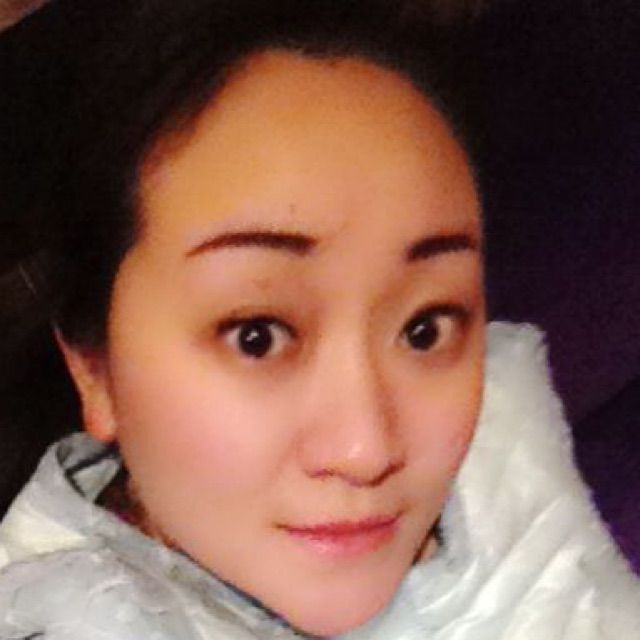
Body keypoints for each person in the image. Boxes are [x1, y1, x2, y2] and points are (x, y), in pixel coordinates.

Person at [0, 1, 638, 638]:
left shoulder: (505, 431)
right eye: (257, 337)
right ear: (93, 366)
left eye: (425, 328)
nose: (366, 451)